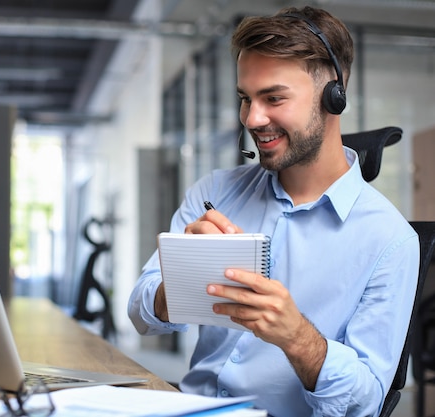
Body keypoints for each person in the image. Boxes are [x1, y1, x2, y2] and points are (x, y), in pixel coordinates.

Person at [127, 5, 419, 417]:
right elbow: (140, 313)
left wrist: (298, 337)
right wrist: (182, 281)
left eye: (273, 97)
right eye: (245, 98)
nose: (252, 117)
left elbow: (365, 403)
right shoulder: (214, 192)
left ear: (334, 95)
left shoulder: (390, 242)